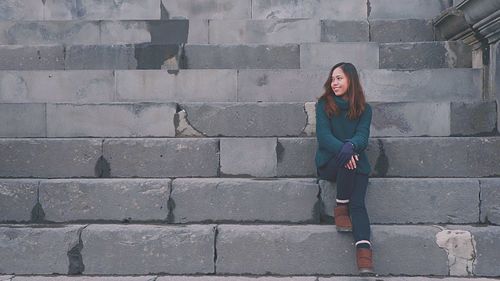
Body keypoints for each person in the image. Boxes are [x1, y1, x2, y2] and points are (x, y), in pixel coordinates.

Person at [315, 62, 374, 275]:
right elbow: (323, 137)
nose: (335, 82)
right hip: (329, 163)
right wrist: (345, 149)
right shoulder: (323, 104)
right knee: (349, 158)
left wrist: (351, 146)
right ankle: (340, 206)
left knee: (358, 204)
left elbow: (362, 137)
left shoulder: (364, 109)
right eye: (332, 79)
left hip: (355, 163)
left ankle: (364, 253)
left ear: (351, 80)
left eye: (339, 78)